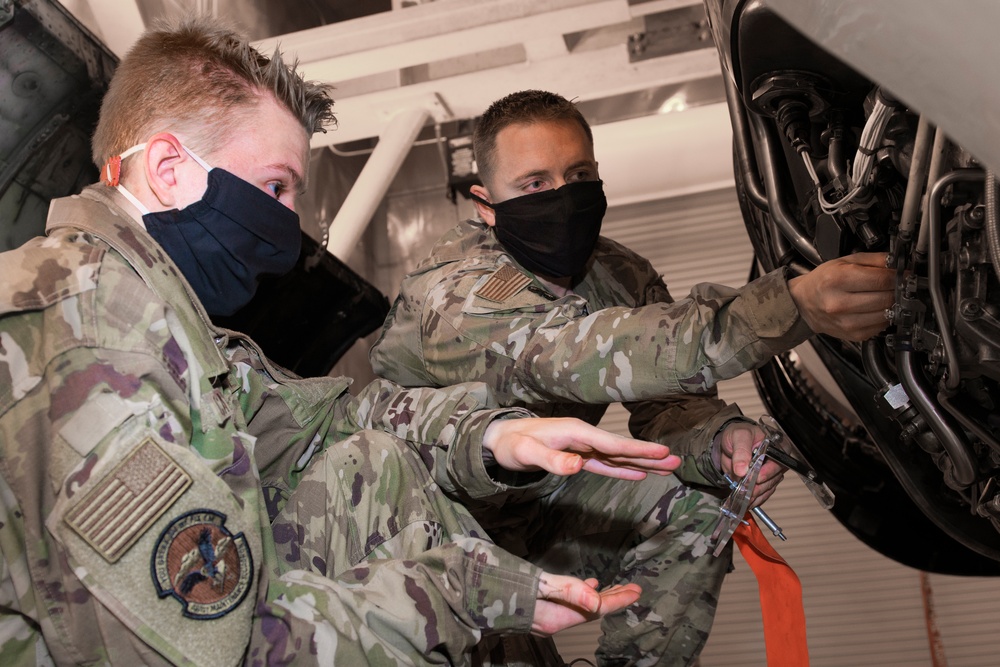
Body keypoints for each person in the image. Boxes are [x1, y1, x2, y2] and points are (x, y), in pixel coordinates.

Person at [0, 27, 689, 666]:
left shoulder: (151, 307)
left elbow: (321, 420)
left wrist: (496, 438)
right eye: (275, 186)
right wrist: (456, 593)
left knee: (373, 464)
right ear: (170, 168)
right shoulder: (85, 335)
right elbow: (211, 652)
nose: (287, 220)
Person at [369, 89, 897, 666]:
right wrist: (790, 306)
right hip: (424, 526)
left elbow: (670, 404)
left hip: (536, 506)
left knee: (693, 511)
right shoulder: (452, 296)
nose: (563, 197)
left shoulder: (618, 272)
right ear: (486, 204)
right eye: (535, 185)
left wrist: (721, 442)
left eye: (578, 174)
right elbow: (587, 353)